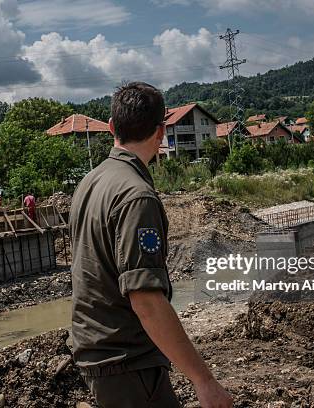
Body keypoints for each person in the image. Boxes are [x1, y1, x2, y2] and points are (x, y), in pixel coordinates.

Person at [69, 82, 233, 408]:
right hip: (126, 361)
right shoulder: (137, 196)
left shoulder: (91, 181)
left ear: (113, 127)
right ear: (161, 134)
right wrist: (204, 381)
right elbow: (146, 301)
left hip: (99, 356)